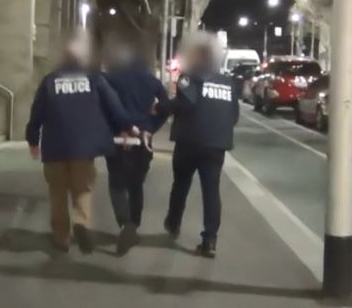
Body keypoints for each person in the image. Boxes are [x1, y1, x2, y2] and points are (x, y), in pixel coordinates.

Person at [26, 31, 139, 255]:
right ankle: (82, 223)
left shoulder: (50, 80)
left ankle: (62, 238)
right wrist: (129, 127)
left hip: (55, 146)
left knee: (57, 191)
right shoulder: (95, 79)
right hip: (84, 147)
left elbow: (36, 113)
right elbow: (114, 106)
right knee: (83, 189)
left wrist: (32, 139)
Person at [157, 32, 239, 258]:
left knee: (181, 183)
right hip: (217, 144)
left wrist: (160, 108)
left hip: (190, 141)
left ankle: (173, 223)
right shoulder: (227, 83)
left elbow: (184, 103)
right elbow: (233, 115)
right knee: (211, 191)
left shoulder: (190, 77)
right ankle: (210, 239)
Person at [103, 40, 170, 255]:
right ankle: (135, 225)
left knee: (116, 185)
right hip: (143, 140)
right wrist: (150, 128)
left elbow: (103, 107)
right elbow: (166, 107)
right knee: (136, 185)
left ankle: (126, 225)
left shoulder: (110, 79)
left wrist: (115, 128)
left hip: (118, 140)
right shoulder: (152, 81)